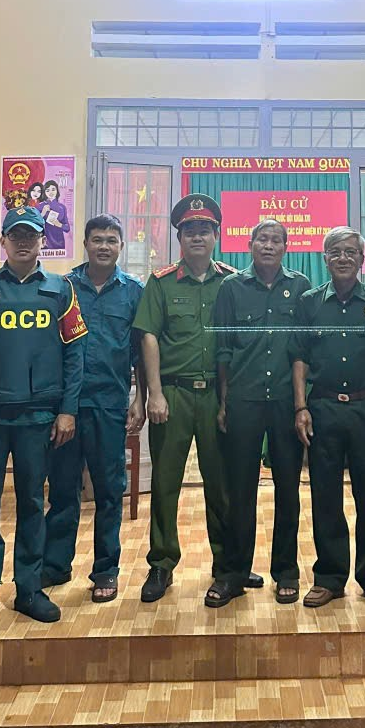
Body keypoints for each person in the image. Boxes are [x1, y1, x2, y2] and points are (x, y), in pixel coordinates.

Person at [0, 205, 87, 634]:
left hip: (38, 417)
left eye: (31, 235)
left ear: (43, 240)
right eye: (16, 235)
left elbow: (75, 355)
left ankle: (28, 589)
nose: (24, 242)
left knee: (31, 504)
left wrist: (67, 409)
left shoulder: (61, 290)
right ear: (3, 242)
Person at [132, 194, 247, 603]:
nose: (197, 237)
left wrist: (232, 400)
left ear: (217, 236)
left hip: (218, 395)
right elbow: (148, 336)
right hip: (174, 394)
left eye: (205, 230)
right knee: (165, 484)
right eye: (190, 231)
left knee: (222, 485)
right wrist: (154, 394)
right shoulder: (161, 283)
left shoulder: (233, 282)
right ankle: (161, 564)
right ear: (179, 238)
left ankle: (227, 566)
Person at [291, 226, 365, 611]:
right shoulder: (309, 303)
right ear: (325, 259)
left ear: (361, 259)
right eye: (335, 251)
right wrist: (300, 407)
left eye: (350, 252)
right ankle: (329, 578)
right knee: (325, 497)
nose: (343, 258)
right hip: (323, 409)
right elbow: (299, 359)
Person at [42, 214, 144, 602]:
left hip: (109, 405)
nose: (104, 246)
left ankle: (106, 570)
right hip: (67, 407)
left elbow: (140, 351)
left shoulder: (133, 292)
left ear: (121, 246)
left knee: (108, 491)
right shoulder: (63, 288)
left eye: (111, 240)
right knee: (63, 490)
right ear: (85, 244)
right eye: (97, 239)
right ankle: (55, 565)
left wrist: (140, 398)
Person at [209, 219, 311, 607]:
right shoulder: (231, 287)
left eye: (276, 240)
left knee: (288, 488)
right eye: (262, 239)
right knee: (239, 491)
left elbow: (304, 349)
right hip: (244, 399)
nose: (268, 245)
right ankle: (233, 574)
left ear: (286, 247)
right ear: (249, 244)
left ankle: (286, 571)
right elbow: (223, 349)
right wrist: (223, 401)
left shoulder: (300, 287)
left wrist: (302, 404)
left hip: (286, 401)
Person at [41, 179, 71, 251]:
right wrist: (43, 213)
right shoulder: (41, 206)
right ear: (44, 192)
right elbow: (35, 223)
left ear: (57, 191)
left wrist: (59, 224)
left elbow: (67, 228)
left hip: (59, 243)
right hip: (45, 243)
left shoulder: (62, 207)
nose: (51, 192)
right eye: (47, 190)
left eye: (53, 189)